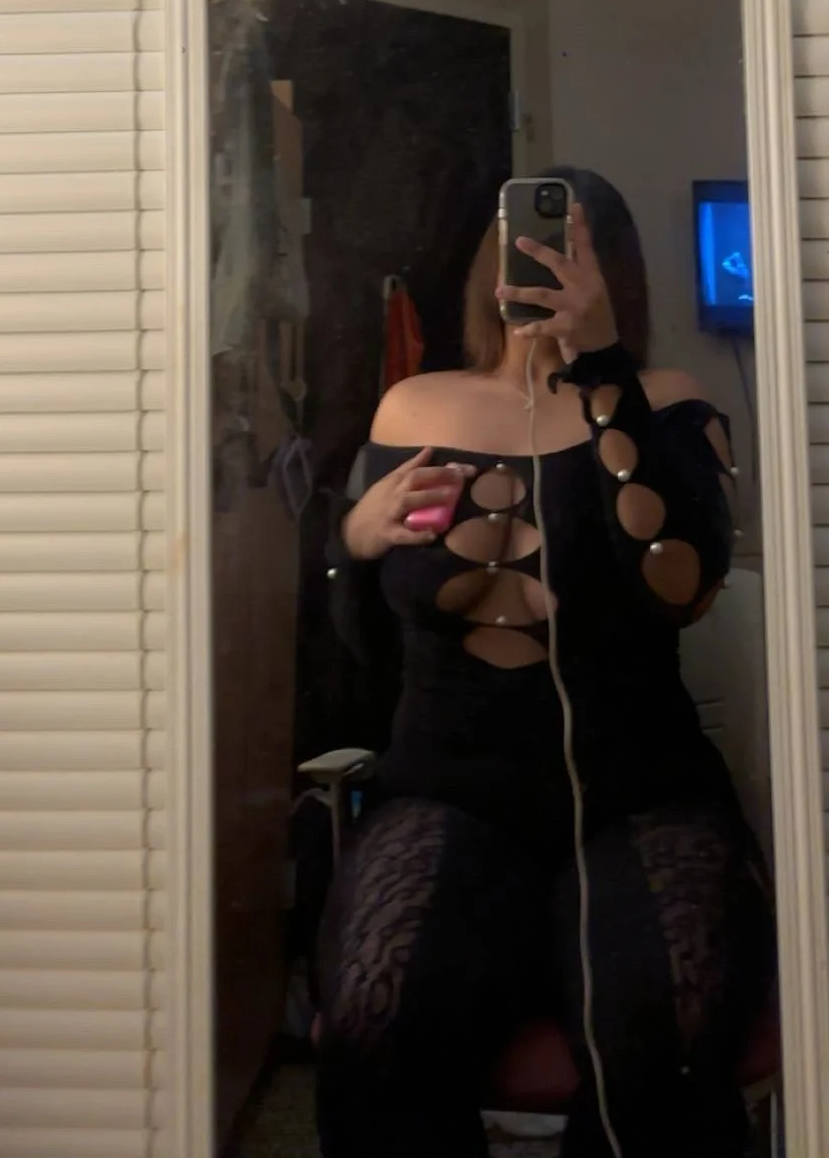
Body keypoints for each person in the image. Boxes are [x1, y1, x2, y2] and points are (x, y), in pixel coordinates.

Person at [318, 167, 773, 1158]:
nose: (543, 264)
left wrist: (600, 364)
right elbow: (356, 642)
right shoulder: (412, 406)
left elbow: (682, 586)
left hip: (641, 791)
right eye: (525, 244)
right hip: (444, 787)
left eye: (572, 249)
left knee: (668, 1027)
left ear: (617, 274)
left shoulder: (670, 403)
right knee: (373, 1009)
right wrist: (353, 535)